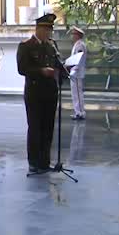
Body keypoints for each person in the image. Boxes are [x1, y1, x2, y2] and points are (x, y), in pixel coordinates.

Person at [16, 13, 61, 174]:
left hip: (50, 92)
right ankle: (34, 162)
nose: (49, 33)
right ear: (38, 29)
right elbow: (22, 69)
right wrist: (41, 71)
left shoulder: (52, 45)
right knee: (35, 127)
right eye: (46, 29)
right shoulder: (26, 45)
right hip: (34, 93)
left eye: (50, 30)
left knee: (48, 128)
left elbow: (57, 64)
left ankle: (44, 161)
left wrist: (63, 69)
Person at [67, 26, 87, 121]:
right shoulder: (77, 44)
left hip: (77, 73)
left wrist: (73, 71)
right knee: (75, 93)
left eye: (74, 34)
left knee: (78, 94)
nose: (72, 36)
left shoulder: (80, 45)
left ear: (78, 35)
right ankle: (77, 111)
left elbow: (78, 59)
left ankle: (80, 112)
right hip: (74, 73)